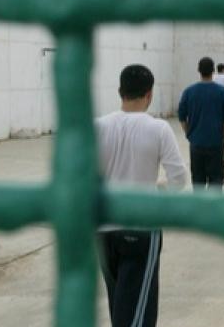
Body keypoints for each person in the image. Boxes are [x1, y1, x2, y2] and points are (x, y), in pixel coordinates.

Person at [96, 64, 189, 327]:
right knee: (138, 314)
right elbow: (178, 178)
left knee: (119, 306)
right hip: (141, 229)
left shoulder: (98, 126)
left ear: (120, 91)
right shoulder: (158, 128)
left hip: (103, 229)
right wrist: (158, 190)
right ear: (149, 94)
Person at [178, 57, 224, 191]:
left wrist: (189, 133)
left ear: (198, 70)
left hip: (196, 143)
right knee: (216, 181)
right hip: (216, 143)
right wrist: (223, 138)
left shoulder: (189, 92)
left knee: (198, 181)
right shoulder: (223, 92)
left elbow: (181, 116)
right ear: (213, 70)